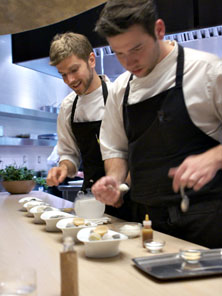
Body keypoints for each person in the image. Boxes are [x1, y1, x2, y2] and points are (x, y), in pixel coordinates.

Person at [92, 0, 222, 248]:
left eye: (136, 48)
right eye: (119, 53)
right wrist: (115, 181)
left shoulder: (206, 70)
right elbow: (115, 149)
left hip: (208, 221)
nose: (128, 62)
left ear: (159, 30)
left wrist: (214, 157)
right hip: (147, 222)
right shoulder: (121, 89)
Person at [46, 32, 132, 220]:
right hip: (91, 200)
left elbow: (137, 152)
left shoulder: (119, 95)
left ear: (91, 60)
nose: (69, 80)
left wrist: (120, 187)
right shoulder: (69, 107)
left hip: (128, 198)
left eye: (74, 70)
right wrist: (64, 168)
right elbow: (70, 155)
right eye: (63, 75)